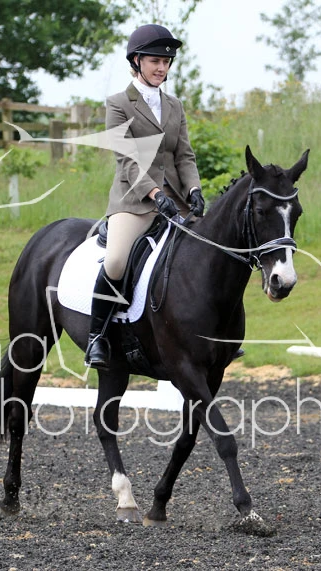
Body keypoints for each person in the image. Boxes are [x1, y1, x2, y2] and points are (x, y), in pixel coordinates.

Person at [84, 23, 205, 370]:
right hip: (134, 200)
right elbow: (127, 160)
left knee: (206, 256)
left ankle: (209, 333)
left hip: (176, 201)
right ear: (136, 61)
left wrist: (193, 189)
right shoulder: (118, 104)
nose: (162, 68)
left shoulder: (174, 106)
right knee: (116, 261)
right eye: (155, 61)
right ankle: (97, 336)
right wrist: (153, 192)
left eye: (166, 62)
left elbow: (184, 156)